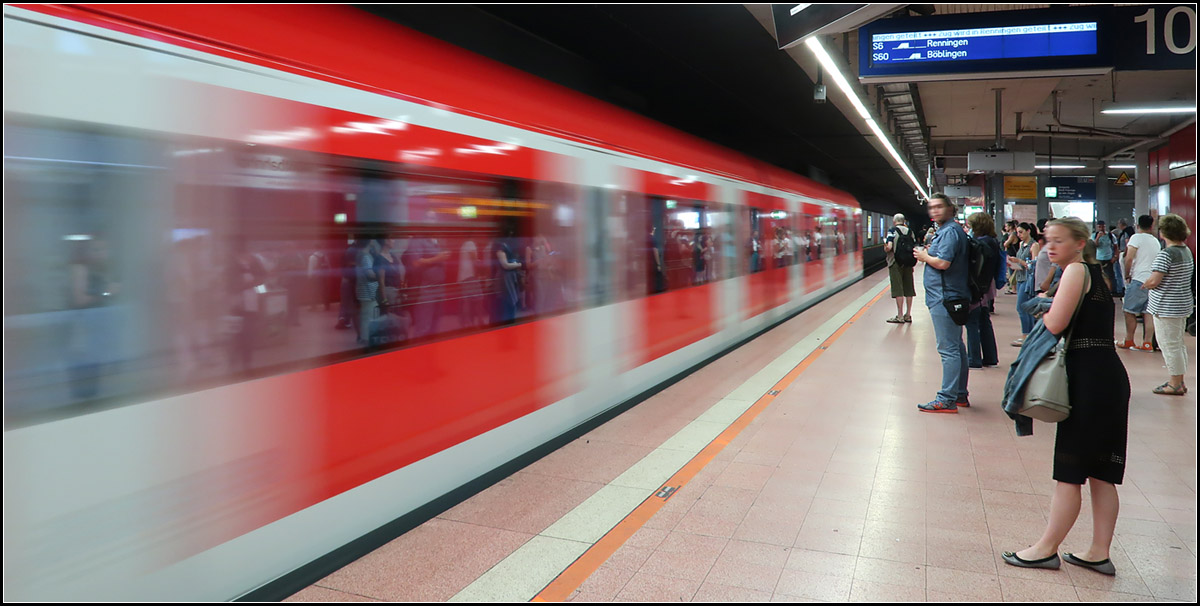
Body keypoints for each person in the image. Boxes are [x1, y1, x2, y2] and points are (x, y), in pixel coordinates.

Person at [1001, 217, 1130, 578]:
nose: (1050, 247)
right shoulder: (1097, 273)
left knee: (1070, 471)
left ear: (1079, 243)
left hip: (1087, 379)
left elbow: (1055, 324)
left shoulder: (1075, 271)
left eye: (1058, 241)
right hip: (1108, 377)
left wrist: (1043, 308)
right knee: (1103, 473)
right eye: (1047, 240)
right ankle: (1097, 553)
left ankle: (1044, 550)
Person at [914, 193, 971, 413]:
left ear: (950, 208)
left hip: (945, 297)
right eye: (932, 207)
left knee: (948, 349)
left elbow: (943, 263)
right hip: (950, 296)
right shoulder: (951, 230)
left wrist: (924, 256)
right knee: (957, 347)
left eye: (939, 207)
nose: (935, 211)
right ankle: (959, 395)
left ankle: (946, 398)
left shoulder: (949, 232)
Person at [1142, 214, 1193, 396]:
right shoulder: (1185, 251)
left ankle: (1175, 383)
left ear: (1163, 232)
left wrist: (1146, 284)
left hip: (1166, 306)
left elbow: (1155, 280)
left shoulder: (1166, 254)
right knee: (1177, 344)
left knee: (1168, 345)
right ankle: (1179, 379)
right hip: (1181, 304)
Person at [1117, 215, 1161, 351]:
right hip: (1153, 281)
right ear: (1152, 226)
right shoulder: (1156, 241)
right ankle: (1147, 343)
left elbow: (1129, 258)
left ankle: (1129, 340)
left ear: (1137, 225)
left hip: (1138, 279)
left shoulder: (1136, 238)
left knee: (1129, 311)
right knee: (1148, 313)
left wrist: (1127, 274)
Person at [965, 212, 1002, 368]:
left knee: (972, 321)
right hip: (987, 287)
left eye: (970, 226)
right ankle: (990, 357)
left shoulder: (979, 244)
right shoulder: (993, 241)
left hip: (976, 288)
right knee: (985, 321)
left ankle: (974, 359)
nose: (969, 229)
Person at [1008, 222, 1040, 346]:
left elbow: (1034, 264)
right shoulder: (1021, 245)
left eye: (1021, 232)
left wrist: (1019, 261)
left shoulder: (1034, 245)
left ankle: (1026, 335)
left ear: (1028, 231)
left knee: (1022, 307)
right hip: (1021, 277)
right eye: (1017, 232)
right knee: (1025, 307)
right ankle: (1029, 334)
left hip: (1028, 279)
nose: (1019, 235)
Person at [883, 213, 916, 324]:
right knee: (909, 288)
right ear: (904, 221)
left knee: (898, 289)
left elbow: (889, 247)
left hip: (895, 263)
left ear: (894, 221)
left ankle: (900, 315)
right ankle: (908, 314)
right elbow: (913, 247)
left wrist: (885, 245)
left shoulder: (892, 231)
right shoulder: (910, 232)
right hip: (908, 263)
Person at [1093, 220, 1117, 293]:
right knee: (1098, 276)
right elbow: (1094, 246)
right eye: (1099, 227)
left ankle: (1111, 291)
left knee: (1110, 276)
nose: (1101, 228)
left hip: (1108, 258)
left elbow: (1116, 246)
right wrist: (1097, 238)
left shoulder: (1110, 235)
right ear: (1097, 227)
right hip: (1098, 258)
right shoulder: (1094, 235)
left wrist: (1115, 257)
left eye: (1103, 226)